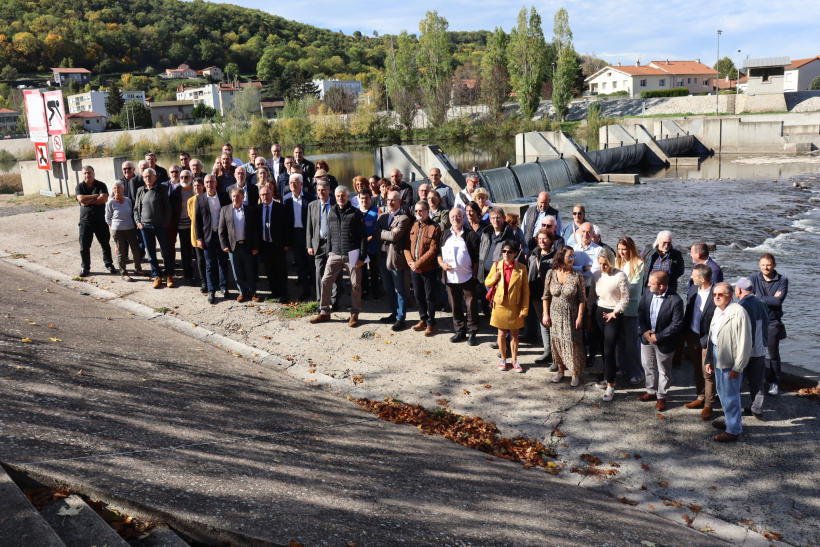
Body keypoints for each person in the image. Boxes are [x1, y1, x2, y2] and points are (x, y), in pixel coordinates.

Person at [309, 187, 367, 326]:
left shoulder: (356, 213)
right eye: (338, 195)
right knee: (325, 281)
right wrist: (329, 251)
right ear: (335, 196)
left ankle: (354, 314)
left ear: (348, 197)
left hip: (352, 254)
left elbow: (363, 237)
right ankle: (324, 312)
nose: (340, 198)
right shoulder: (332, 211)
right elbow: (329, 233)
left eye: (343, 196)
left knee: (355, 285)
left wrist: (362, 257)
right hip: (334, 254)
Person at [705, 282, 752, 442]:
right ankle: (730, 421)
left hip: (730, 359)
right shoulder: (718, 310)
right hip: (718, 353)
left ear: (730, 295)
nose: (717, 297)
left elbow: (744, 342)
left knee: (730, 394)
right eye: (714, 295)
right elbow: (713, 337)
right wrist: (710, 359)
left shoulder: (738, 312)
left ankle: (733, 430)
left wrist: (738, 367)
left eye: (721, 294)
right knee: (722, 391)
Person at [637, 271, 684, 412]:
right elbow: (641, 312)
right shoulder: (648, 292)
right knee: (647, 365)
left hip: (665, 341)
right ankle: (651, 391)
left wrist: (659, 336)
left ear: (662, 286)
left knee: (664, 370)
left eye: (651, 283)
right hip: (647, 337)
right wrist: (645, 331)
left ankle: (662, 396)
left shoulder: (676, 300)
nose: (648, 285)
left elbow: (676, 324)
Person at [588, 248, 629, 402]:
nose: (602, 267)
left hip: (613, 314)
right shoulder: (596, 274)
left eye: (605, 264)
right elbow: (592, 295)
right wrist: (589, 315)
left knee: (609, 349)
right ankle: (606, 376)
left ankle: (611, 385)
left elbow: (625, 298)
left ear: (611, 262)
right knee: (602, 347)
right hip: (599, 311)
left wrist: (616, 312)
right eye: (600, 264)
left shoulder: (620, 275)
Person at [542, 246, 586, 385]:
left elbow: (582, 299)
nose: (573, 259)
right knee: (556, 342)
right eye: (570, 256)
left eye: (574, 256)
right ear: (561, 257)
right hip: (554, 314)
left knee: (572, 343)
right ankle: (560, 371)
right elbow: (546, 296)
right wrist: (545, 314)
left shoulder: (577, 275)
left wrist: (580, 317)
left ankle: (575, 373)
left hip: (571, 314)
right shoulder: (551, 273)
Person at [485, 239, 529, 372]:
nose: (506, 254)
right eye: (504, 251)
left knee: (515, 334)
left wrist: (525, 308)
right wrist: (495, 278)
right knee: (501, 333)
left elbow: (526, 291)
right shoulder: (496, 266)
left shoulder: (522, 268)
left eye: (509, 252)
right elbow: (487, 282)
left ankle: (515, 360)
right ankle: (503, 359)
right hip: (500, 304)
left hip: (515, 305)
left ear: (515, 253)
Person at [681, 264, 718, 420]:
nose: (691, 277)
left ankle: (709, 405)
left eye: (694, 275)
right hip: (692, 335)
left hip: (708, 339)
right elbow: (689, 312)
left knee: (708, 373)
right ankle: (700, 397)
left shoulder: (717, 294)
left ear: (702, 279)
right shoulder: (694, 290)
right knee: (696, 368)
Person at [439, 207, 480, 346]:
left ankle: (472, 332)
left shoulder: (470, 235)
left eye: (458, 216)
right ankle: (460, 331)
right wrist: (442, 265)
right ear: (449, 219)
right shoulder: (445, 234)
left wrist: (474, 275)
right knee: (455, 305)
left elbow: (476, 258)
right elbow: (439, 254)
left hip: (467, 277)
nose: (455, 219)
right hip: (450, 278)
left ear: (463, 218)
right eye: (452, 217)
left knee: (471, 305)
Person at [749, 253, 788, 396]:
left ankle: (775, 381)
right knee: (754, 351)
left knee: (773, 353)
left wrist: (758, 297)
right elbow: (748, 298)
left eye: (769, 265)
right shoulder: (754, 278)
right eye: (763, 264)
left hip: (772, 321)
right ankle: (756, 378)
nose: (766, 267)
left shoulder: (782, 280)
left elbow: (778, 302)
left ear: (774, 265)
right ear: (759, 264)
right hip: (756, 320)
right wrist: (770, 299)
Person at [376, 190, 412, 331]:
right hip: (382, 257)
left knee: (399, 289)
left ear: (399, 202)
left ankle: (401, 318)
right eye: (388, 200)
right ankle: (394, 313)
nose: (390, 202)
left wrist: (383, 233)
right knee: (388, 288)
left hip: (395, 258)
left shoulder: (403, 218)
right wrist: (388, 233)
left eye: (393, 200)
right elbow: (376, 233)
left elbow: (394, 237)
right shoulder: (382, 216)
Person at [405, 200, 442, 336]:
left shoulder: (435, 227)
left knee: (429, 296)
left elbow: (433, 250)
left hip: (428, 269)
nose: (418, 213)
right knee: (417, 295)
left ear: (427, 211)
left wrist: (418, 264)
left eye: (421, 210)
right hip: (413, 268)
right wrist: (411, 263)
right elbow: (406, 247)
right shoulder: (412, 226)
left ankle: (431, 323)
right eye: (416, 211)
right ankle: (423, 319)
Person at [735, 277, 770, 420]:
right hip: (761, 348)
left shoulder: (741, 306)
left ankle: (733, 409)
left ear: (738, 290)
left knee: (736, 379)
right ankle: (757, 408)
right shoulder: (762, 303)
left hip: (747, 348)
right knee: (757, 380)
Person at [134, 168, 174, 289]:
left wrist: (165, 223)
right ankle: (157, 276)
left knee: (166, 252)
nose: (147, 178)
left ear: (155, 177)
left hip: (160, 226)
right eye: (145, 177)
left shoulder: (162, 189)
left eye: (150, 176)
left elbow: (168, 207)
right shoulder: (140, 190)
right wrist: (138, 222)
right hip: (145, 227)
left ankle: (169, 275)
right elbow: (136, 209)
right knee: (151, 253)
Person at [195, 174, 231, 303]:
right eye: (207, 182)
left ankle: (224, 287)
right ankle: (211, 291)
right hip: (208, 236)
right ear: (204, 185)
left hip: (222, 236)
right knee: (210, 265)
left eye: (211, 182)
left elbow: (229, 216)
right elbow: (197, 221)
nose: (209, 184)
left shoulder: (224, 196)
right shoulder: (200, 199)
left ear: (216, 183)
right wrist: (199, 238)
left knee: (223, 262)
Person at [219, 187, 259, 302]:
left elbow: (254, 230)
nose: (235, 198)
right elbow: (222, 231)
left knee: (249, 269)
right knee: (237, 271)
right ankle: (241, 291)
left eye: (238, 196)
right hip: (233, 247)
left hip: (247, 245)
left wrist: (255, 246)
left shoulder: (249, 210)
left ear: (243, 197)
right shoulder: (225, 210)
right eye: (233, 196)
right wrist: (224, 245)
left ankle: (252, 291)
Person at [615, 237, 646, 385]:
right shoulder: (617, 261)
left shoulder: (638, 263)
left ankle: (638, 372)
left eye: (624, 249)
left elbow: (633, 286)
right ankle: (624, 366)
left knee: (632, 342)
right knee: (620, 340)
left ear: (631, 248)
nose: (622, 252)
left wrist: (616, 290)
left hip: (631, 307)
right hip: (617, 307)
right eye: (620, 249)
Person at [307, 179, 342, 309]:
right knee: (319, 273)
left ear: (329, 190)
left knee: (335, 273)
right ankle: (321, 301)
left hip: (334, 245)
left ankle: (335, 300)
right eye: (319, 190)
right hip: (318, 244)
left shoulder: (336, 204)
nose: (321, 192)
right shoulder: (312, 205)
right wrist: (309, 245)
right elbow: (309, 227)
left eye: (323, 190)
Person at [75, 166, 116, 277]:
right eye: (85, 173)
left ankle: (109, 264)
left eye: (89, 173)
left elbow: (104, 199)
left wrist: (88, 199)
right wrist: (96, 196)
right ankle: (85, 267)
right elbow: (81, 200)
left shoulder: (101, 185)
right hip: (85, 221)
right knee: (84, 246)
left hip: (100, 221)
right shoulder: (79, 186)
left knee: (105, 244)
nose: (87, 175)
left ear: (93, 173)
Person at [284, 174, 316, 301]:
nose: (293, 184)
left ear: (301, 184)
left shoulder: (310, 198)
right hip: (294, 236)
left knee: (312, 264)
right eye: (291, 182)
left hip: (308, 235)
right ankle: (306, 290)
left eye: (296, 182)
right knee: (301, 265)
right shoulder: (286, 200)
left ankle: (318, 291)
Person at [528, 229, 558, 364]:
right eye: (539, 238)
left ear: (551, 240)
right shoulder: (533, 255)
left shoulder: (556, 257)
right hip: (536, 294)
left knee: (554, 323)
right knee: (543, 322)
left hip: (552, 296)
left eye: (545, 238)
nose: (542, 241)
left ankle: (557, 354)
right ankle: (547, 351)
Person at [256, 184, 291, 301]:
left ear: (272, 194)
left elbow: (287, 227)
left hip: (278, 244)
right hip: (265, 245)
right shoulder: (257, 209)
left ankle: (283, 294)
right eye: (262, 195)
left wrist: (286, 243)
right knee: (269, 270)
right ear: (260, 196)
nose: (265, 196)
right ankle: (274, 292)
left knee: (280, 269)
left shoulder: (281, 208)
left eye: (267, 194)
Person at [105, 180, 143, 281]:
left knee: (136, 250)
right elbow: (108, 218)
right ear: (112, 190)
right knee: (121, 253)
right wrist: (113, 230)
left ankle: (138, 269)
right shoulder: (110, 202)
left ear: (123, 189)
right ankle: (124, 273)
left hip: (130, 228)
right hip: (118, 230)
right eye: (115, 188)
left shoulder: (128, 200)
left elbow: (131, 212)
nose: (117, 190)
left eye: (119, 187)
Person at [170, 169, 196, 285]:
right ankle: (188, 275)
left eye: (187, 177)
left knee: (199, 251)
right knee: (185, 251)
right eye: (182, 177)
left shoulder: (196, 190)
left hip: (195, 225)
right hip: (182, 225)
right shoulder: (175, 192)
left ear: (191, 178)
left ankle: (203, 275)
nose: (184, 179)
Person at [357, 187, 381, 301]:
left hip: (373, 245)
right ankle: (364, 290)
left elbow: (379, 228)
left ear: (370, 198)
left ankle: (375, 291)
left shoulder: (377, 211)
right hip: (360, 247)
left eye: (366, 198)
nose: (364, 201)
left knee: (374, 270)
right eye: (362, 198)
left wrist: (370, 239)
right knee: (362, 271)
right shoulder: (355, 211)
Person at [187, 178, 208, 295]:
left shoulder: (208, 198)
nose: (196, 188)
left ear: (203, 186)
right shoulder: (190, 201)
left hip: (208, 232)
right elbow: (192, 216)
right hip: (196, 233)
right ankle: (203, 281)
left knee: (209, 258)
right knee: (199, 259)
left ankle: (212, 279)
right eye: (194, 186)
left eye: (199, 185)